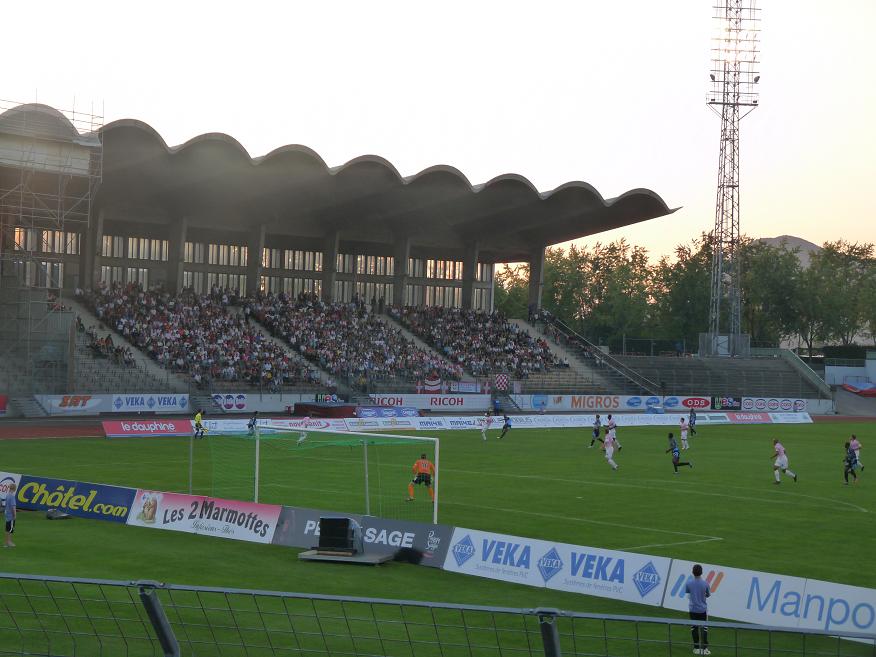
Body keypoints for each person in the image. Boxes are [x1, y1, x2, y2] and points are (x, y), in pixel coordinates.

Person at [685, 564, 711, 655]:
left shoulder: (689, 583)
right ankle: (704, 649)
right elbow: (708, 594)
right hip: (702, 609)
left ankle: (696, 648)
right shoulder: (705, 583)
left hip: (692, 609)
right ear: (701, 572)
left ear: (693, 572)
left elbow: (688, 592)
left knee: (694, 628)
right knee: (704, 629)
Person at [4, 482, 16, 548]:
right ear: (14, 489)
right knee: (10, 530)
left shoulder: (8, 495)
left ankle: (6, 543)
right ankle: (9, 542)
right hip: (11, 515)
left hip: (7, 514)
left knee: (7, 529)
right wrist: (14, 515)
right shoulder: (12, 496)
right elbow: (13, 507)